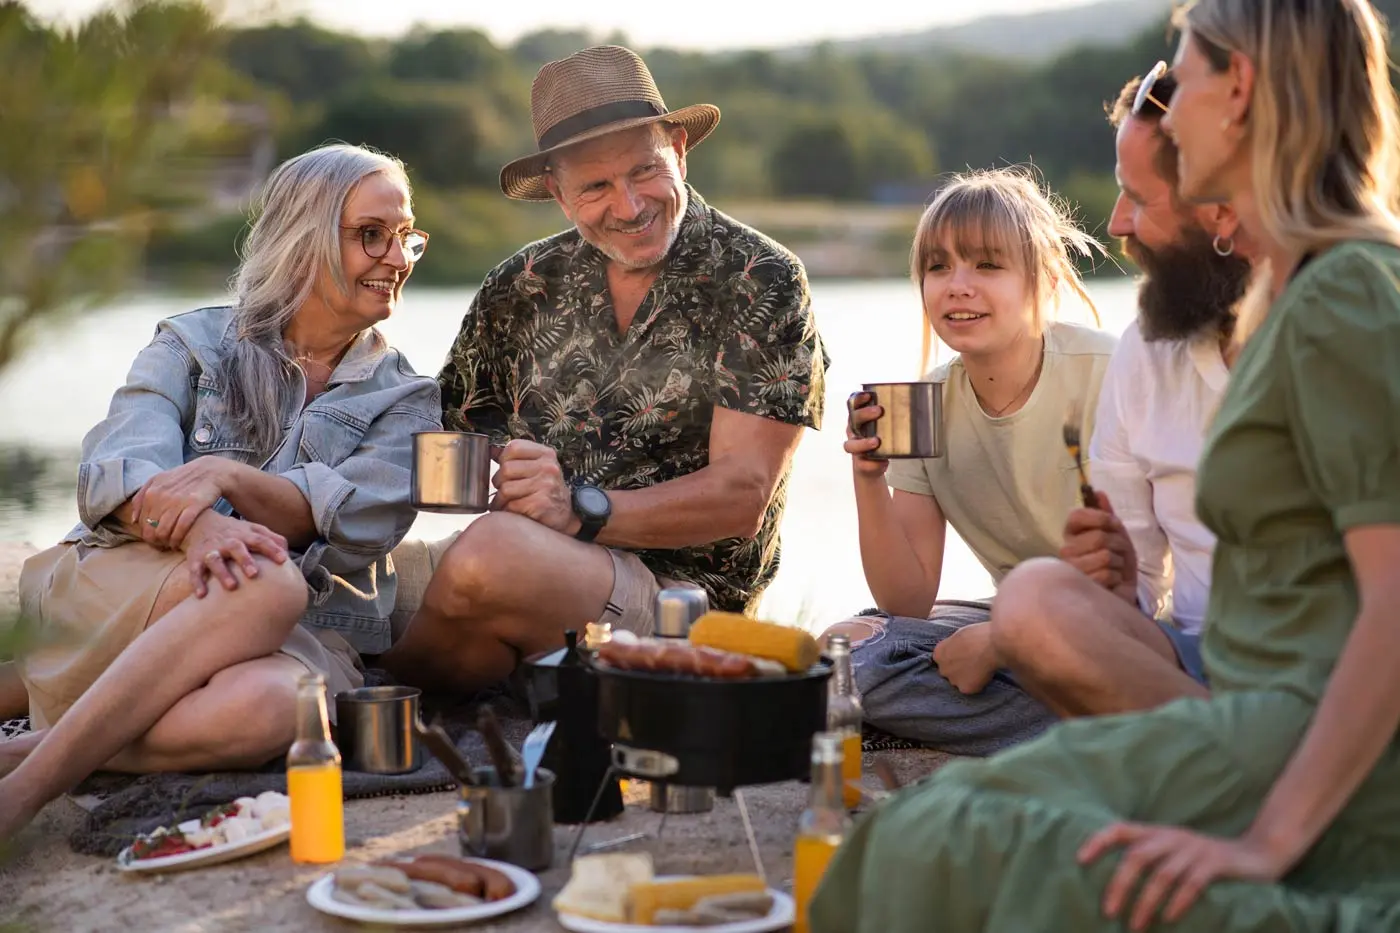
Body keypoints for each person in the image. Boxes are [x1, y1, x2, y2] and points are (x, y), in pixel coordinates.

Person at [811, 1, 1400, 929]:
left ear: (1238, 90)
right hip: (1236, 702)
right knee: (921, 830)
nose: (1172, 95)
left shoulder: (1349, 295)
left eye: (1184, 71)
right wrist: (1120, 580)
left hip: (1293, 723)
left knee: (942, 848)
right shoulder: (1284, 296)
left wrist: (1271, 839)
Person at [0, 144, 441, 839]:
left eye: (405, 234)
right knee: (267, 581)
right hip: (129, 582)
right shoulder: (192, 342)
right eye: (370, 234)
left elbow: (361, 519)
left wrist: (231, 478)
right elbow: (116, 464)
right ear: (302, 239)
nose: (398, 256)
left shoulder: (408, 398)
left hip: (296, 636)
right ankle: (22, 793)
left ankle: (34, 744)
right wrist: (203, 528)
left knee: (285, 708)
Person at [379, 45, 827, 694]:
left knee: (487, 557)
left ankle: (367, 707)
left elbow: (741, 497)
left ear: (678, 148)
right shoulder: (519, 284)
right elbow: (444, 458)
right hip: (534, 563)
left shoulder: (760, 277)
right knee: (328, 587)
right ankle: (418, 692)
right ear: (558, 194)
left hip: (686, 603)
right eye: (595, 186)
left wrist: (580, 509)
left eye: (644, 170)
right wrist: (505, 473)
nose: (628, 205)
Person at [824, 167, 1118, 754]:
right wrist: (868, 479)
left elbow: (1133, 578)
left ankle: (1086, 728)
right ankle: (1062, 723)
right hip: (1016, 617)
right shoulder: (926, 405)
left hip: (1120, 623)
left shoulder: (1108, 374)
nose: (957, 285)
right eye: (938, 266)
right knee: (847, 652)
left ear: (1041, 279)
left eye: (987, 265)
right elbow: (906, 601)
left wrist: (1003, 641)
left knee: (865, 679)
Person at [989, 70, 1255, 717]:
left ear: (1220, 210)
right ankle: (1230, 749)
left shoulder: (1343, 326)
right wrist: (1112, 573)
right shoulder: (1146, 348)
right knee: (1032, 602)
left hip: (1336, 664)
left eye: (1137, 197)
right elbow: (1138, 586)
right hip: (1193, 661)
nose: (1116, 225)